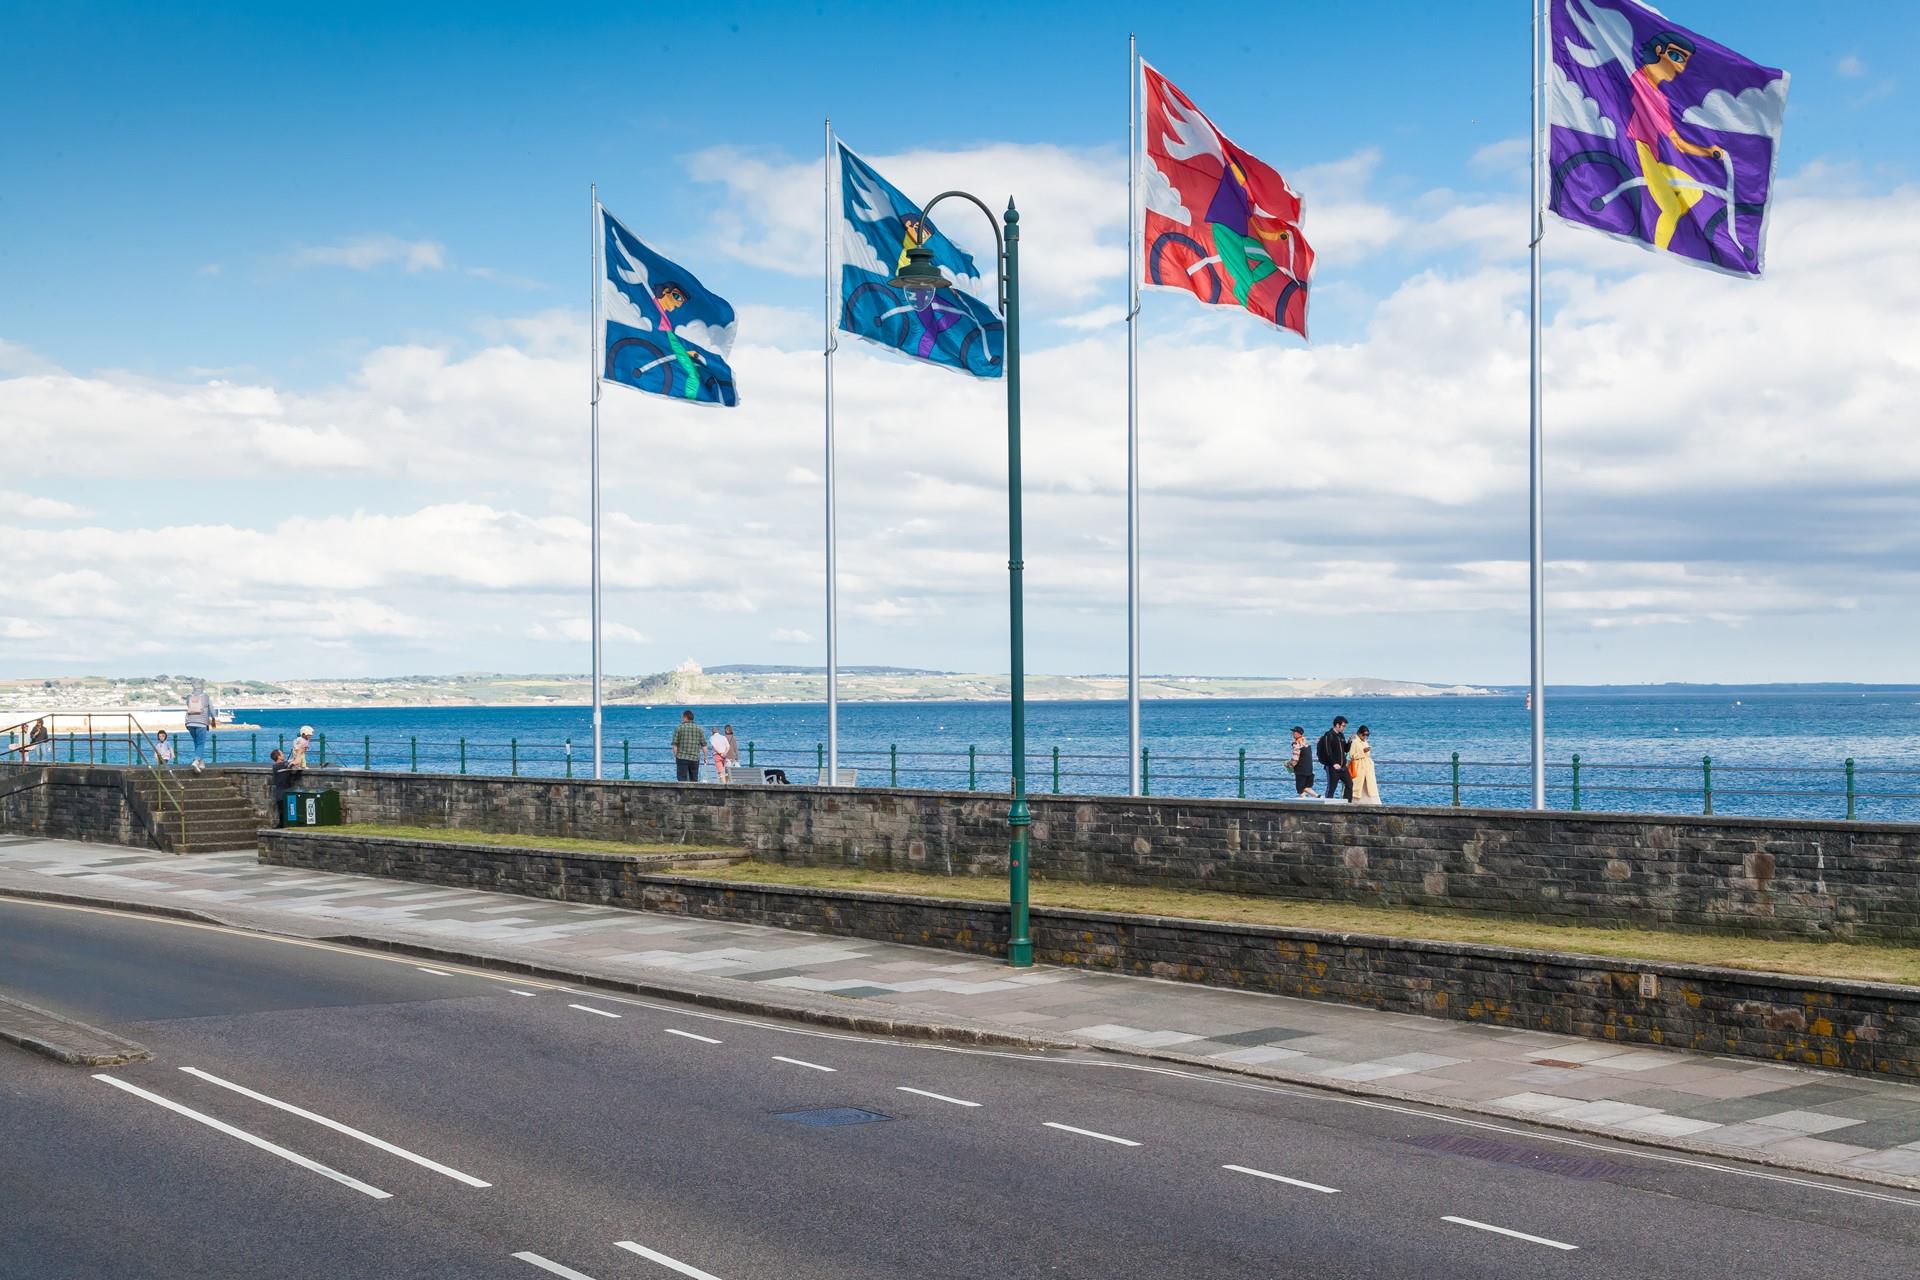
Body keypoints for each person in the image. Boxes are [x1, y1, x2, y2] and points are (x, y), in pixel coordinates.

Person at [1625, 30, 1726, 253]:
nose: (1679, 68)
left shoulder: (1660, 98)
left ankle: (1669, 236)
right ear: (1659, 50)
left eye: (1684, 62)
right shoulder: (1638, 81)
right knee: (1670, 208)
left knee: (1694, 192)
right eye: (1676, 57)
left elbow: (1676, 142)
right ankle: (1658, 252)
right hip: (1638, 150)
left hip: (1652, 155)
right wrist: (1708, 151)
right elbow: (1678, 143)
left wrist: (1709, 151)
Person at [183, 679, 218, 773]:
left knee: (197, 743)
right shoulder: (206, 697)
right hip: (201, 723)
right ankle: (196, 761)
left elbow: (188, 706)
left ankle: (201, 763)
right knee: (201, 743)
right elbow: (212, 709)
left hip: (189, 722)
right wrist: (213, 719)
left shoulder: (189, 697)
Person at [1315, 715, 1352, 802]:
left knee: (1349, 784)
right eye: (1343, 726)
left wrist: (1349, 742)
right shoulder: (1329, 735)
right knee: (1331, 788)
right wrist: (1334, 763)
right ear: (1337, 725)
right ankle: (1328, 806)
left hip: (1343, 767)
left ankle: (1347, 803)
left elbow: (1345, 749)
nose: (1344, 728)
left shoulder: (1341, 735)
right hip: (1332, 767)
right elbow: (1327, 751)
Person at [671, 710, 706, 782]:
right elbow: (704, 745)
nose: (681, 719)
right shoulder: (699, 729)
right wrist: (705, 757)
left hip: (681, 758)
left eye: (682, 717)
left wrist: (675, 756)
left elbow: (674, 745)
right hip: (694, 758)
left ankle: (683, 789)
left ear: (685, 717)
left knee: (682, 779)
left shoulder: (679, 728)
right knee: (694, 779)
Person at [1349, 725, 1380, 805]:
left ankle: (1372, 802)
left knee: (1370, 785)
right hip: (1359, 767)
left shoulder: (1365, 741)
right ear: (1359, 733)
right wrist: (1363, 751)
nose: (1365, 736)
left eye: (1367, 735)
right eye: (1364, 734)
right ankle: (1356, 801)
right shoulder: (1355, 742)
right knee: (1359, 785)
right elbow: (1352, 755)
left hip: (1367, 767)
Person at [1287, 726, 1319, 798]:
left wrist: (1289, 765)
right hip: (1309, 769)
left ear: (1298, 733)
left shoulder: (1296, 744)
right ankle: (1318, 796)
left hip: (1301, 769)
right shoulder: (1306, 742)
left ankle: (1304, 801)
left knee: (1300, 789)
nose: (1293, 733)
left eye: (1294, 732)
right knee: (1307, 787)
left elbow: (1295, 758)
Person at [269, 748, 296, 826]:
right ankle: (282, 825)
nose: (284, 755)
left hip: (281, 793)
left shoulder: (278, 765)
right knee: (283, 813)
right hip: (282, 793)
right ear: (278, 756)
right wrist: (300, 751)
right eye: (282, 754)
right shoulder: (279, 765)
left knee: (283, 813)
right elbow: (296, 761)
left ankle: (282, 825)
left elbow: (291, 761)